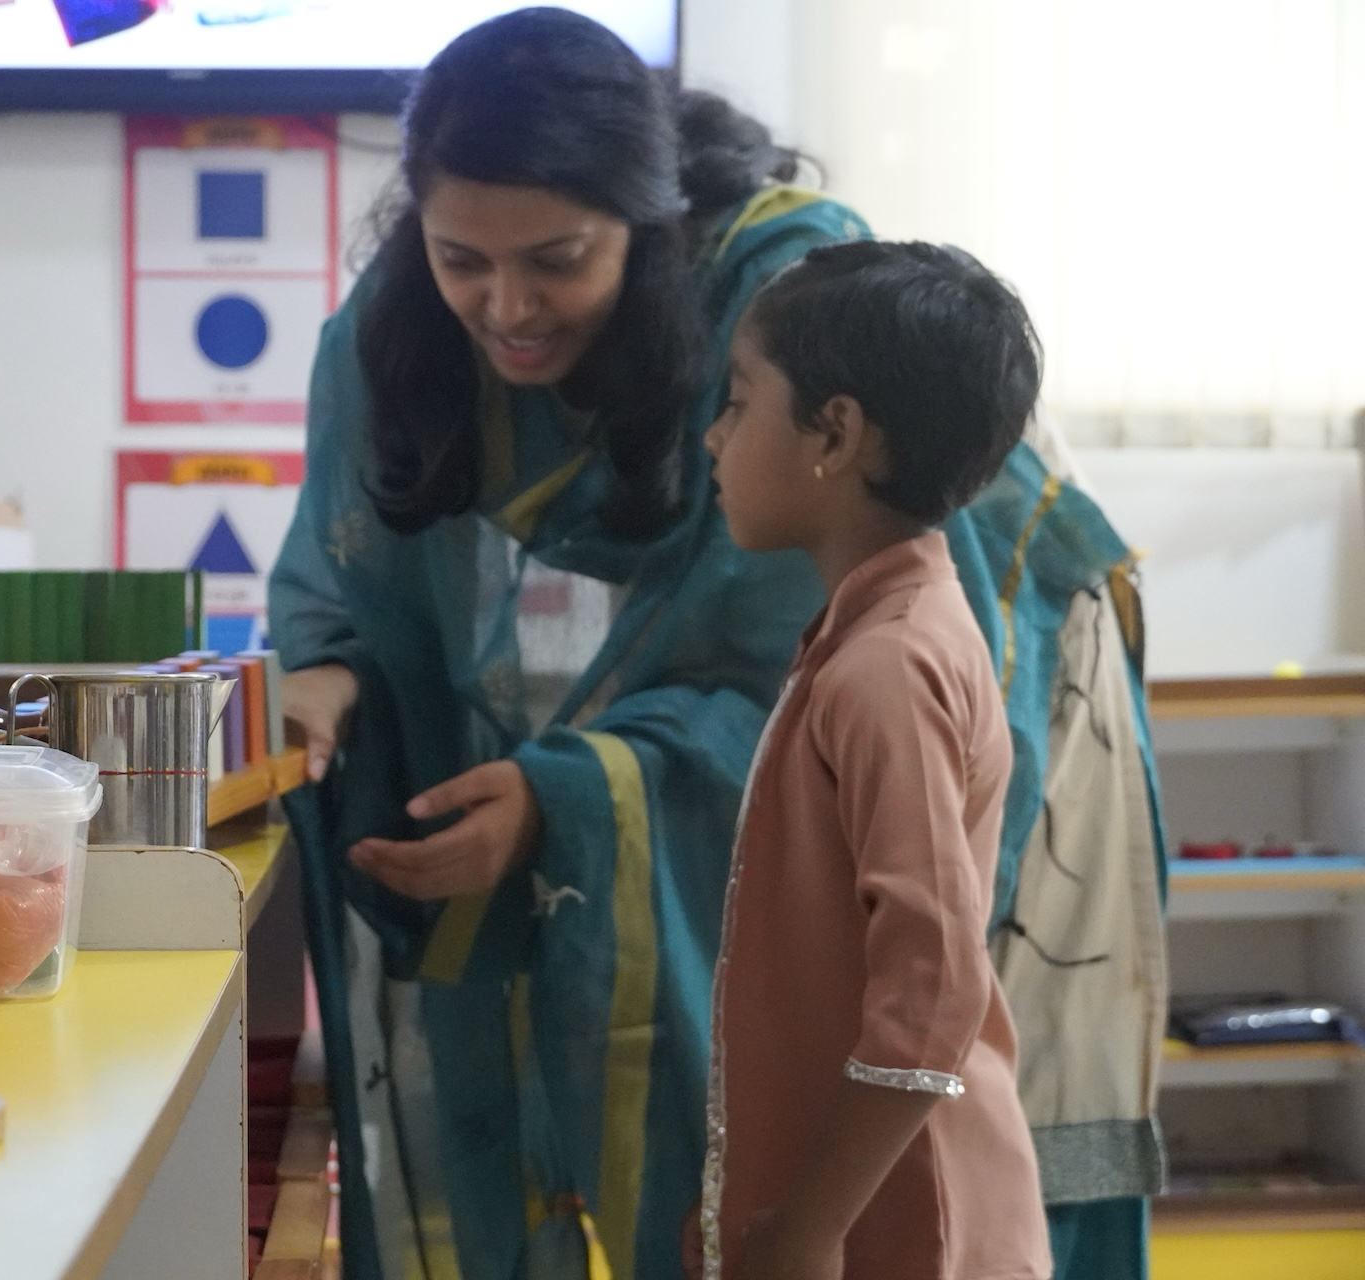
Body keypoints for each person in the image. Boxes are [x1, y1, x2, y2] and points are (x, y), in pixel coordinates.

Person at [269, 9, 1165, 1280]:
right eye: (461, 257)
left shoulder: (815, 415)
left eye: (557, 258)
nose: (505, 307)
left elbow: (922, 996)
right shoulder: (397, 334)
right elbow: (355, 588)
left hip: (999, 707)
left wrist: (801, 1226)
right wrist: (332, 672)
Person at [692, 241, 1051, 1280]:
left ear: (835, 434)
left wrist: (809, 1226)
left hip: (908, 1222)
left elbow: (934, 985)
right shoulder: (882, 631)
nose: (715, 436)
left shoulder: (886, 665)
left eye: (741, 400)